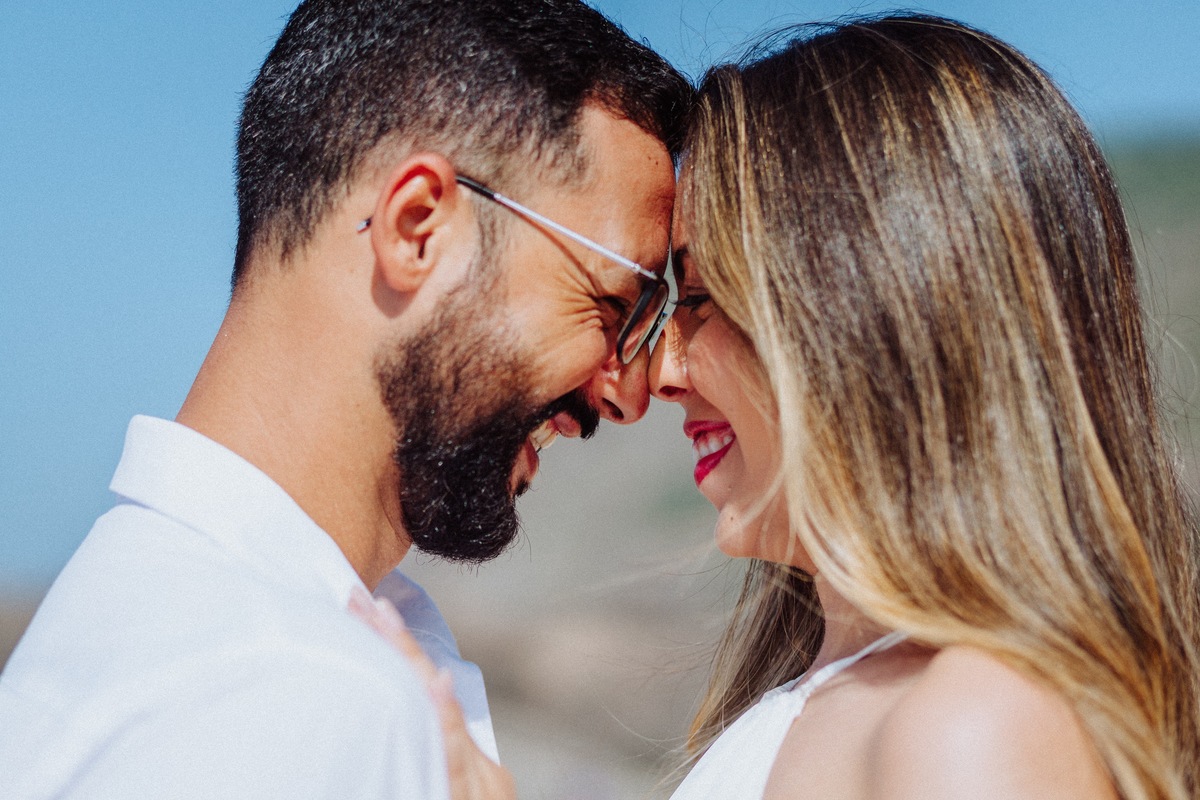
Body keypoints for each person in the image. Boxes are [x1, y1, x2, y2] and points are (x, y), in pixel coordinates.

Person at [373, 13, 1200, 800]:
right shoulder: (863, 700)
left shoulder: (969, 723)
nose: (661, 373)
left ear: (869, 304)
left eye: (702, 297)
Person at [0, 0, 691, 797]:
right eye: (616, 308)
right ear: (418, 226)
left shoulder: (151, 629)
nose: (628, 391)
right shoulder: (294, 694)